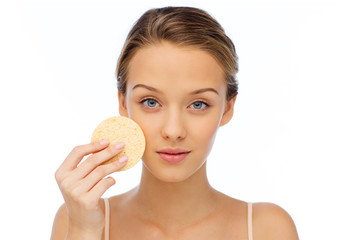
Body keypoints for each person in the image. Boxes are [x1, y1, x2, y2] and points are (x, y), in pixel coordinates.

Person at [51, 6, 299, 240]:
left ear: (227, 108)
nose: (173, 131)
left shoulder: (267, 228)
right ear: (124, 105)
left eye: (198, 104)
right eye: (150, 102)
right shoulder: (78, 218)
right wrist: (83, 230)